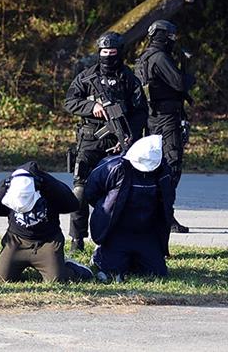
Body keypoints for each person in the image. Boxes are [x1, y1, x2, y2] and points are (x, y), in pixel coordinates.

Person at [63, 31, 148, 253]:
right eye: (104, 51)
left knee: (120, 192)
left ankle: (113, 238)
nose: (108, 55)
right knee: (79, 190)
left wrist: (130, 136)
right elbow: (70, 102)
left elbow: (140, 112)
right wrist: (92, 107)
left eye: (112, 52)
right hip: (90, 140)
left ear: (120, 53)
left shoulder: (129, 79)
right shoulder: (86, 77)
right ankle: (77, 239)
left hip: (119, 142)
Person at [86, 135, 175, 282]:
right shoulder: (114, 167)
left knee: (158, 272)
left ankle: (136, 257)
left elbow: (167, 200)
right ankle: (100, 254)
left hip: (146, 231)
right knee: (112, 270)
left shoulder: (163, 172)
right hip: (117, 230)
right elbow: (91, 192)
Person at [135, 20, 195, 234]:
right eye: (170, 36)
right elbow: (179, 83)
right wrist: (190, 74)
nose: (173, 40)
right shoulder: (159, 57)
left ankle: (158, 212)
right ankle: (164, 215)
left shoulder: (145, 57)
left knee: (158, 165)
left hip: (155, 118)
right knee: (172, 165)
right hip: (165, 118)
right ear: (163, 36)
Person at [0, 162, 93, 283]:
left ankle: (69, 266)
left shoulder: (47, 186)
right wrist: (4, 185)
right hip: (17, 241)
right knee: (2, 278)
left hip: (47, 241)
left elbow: (72, 205)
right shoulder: (8, 186)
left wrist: (49, 183)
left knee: (56, 280)